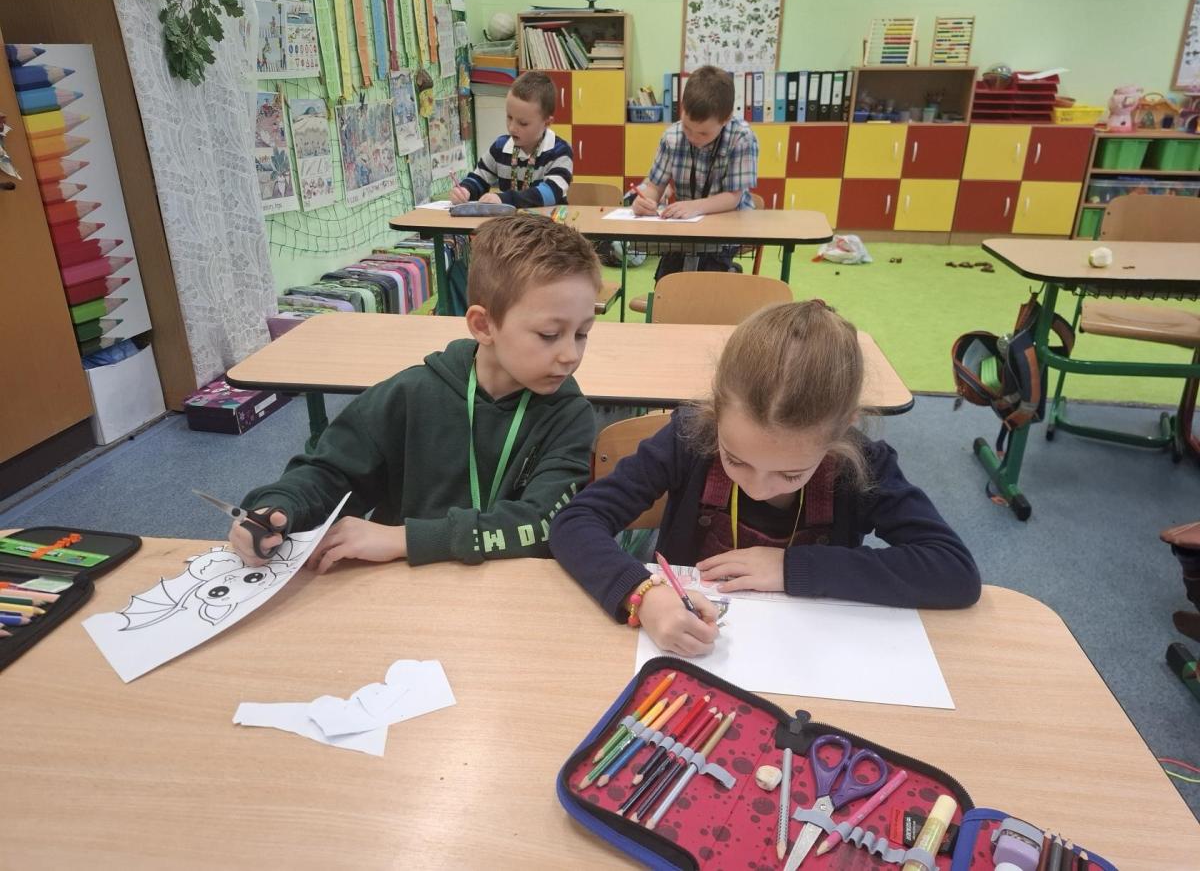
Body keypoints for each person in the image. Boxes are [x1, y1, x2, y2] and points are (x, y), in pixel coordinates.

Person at [550, 301, 980, 657]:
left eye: (791, 473)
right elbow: (576, 522)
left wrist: (793, 567)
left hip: (810, 656)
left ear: (842, 429)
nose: (757, 487)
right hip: (691, 652)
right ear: (717, 408)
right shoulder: (688, 437)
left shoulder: (862, 465)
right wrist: (643, 593)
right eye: (735, 460)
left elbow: (953, 570)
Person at [230, 213, 601, 573]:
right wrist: (279, 508)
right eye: (549, 335)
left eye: (582, 333)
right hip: (400, 585)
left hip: (510, 591)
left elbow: (541, 525)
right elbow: (330, 474)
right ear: (484, 325)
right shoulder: (411, 394)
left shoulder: (570, 416)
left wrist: (406, 539)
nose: (571, 354)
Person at [630, 64, 758, 279]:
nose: (693, 137)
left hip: (726, 226)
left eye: (703, 133)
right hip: (685, 227)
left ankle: (729, 271)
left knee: (707, 281)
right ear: (682, 108)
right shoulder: (672, 136)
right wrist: (644, 201)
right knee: (666, 280)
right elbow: (654, 186)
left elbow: (733, 197)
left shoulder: (742, 138)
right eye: (687, 128)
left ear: (725, 119)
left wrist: (695, 207)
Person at [450, 70, 573, 207]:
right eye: (509, 117)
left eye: (523, 123)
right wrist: (465, 190)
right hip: (510, 220)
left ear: (547, 123)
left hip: (549, 220)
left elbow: (549, 194)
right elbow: (479, 178)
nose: (512, 128)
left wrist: (504, 199)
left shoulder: (560, 152)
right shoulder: (500, 147)